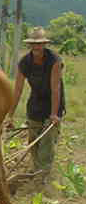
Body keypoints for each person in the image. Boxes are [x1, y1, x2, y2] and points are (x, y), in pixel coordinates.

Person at [7, 26, 66, 180]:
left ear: (44, 44)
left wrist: (54, 114)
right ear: (30, 45)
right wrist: (10, 116)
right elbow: (18, 90)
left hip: (53, 103)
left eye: (40, 43)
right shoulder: (24, 62)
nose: (37, 46)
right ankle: (37, 170)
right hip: (35, 103)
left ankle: (42, 178)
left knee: (46, 143)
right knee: (33, 141)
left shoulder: (54, 61)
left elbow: (55, 88)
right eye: (34, 43)